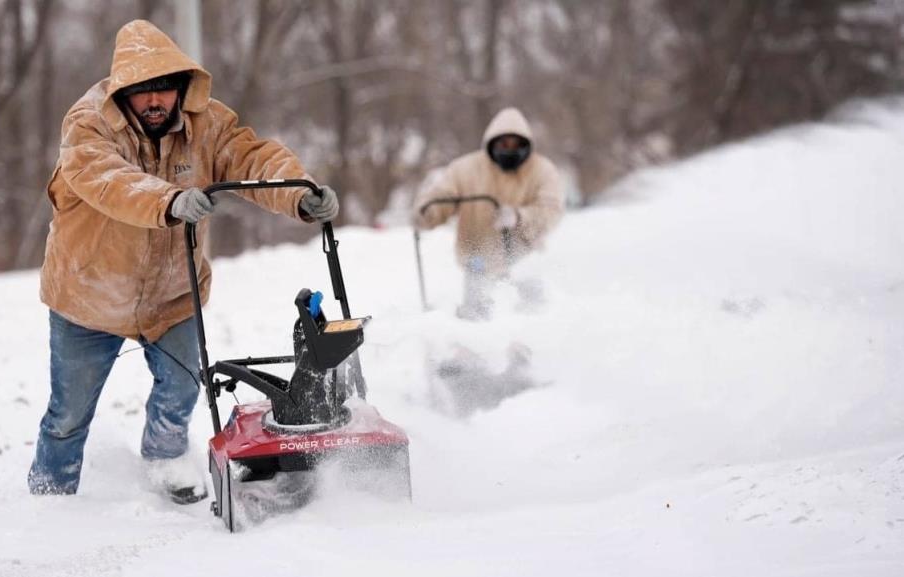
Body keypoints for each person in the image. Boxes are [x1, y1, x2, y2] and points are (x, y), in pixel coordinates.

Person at [29, 20, 338, 504]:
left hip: (173, 293)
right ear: (122, 93)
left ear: (181, 88)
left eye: (165, 90)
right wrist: (168, 201)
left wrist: (301, 193)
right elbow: (107, 180)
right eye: (142, 92)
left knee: (179, 391)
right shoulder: (87, 124)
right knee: (68, 415)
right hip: (90, 295)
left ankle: (165, 461)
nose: (155, 101)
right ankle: (48, 498)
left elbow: (252, 158)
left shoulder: (207, 123)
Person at [413, 107, 565, 319]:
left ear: (526, 145)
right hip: (478, 263)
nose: (509, 149)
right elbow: (442, 197)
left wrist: (519, 216)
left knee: (526, 322)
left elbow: (551, 209)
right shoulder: (465, 169)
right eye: (504, 143)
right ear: (493, 142)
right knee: (477, 322)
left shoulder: (542, 170)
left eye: (516, 144)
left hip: (524, 260)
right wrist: (428, 213)